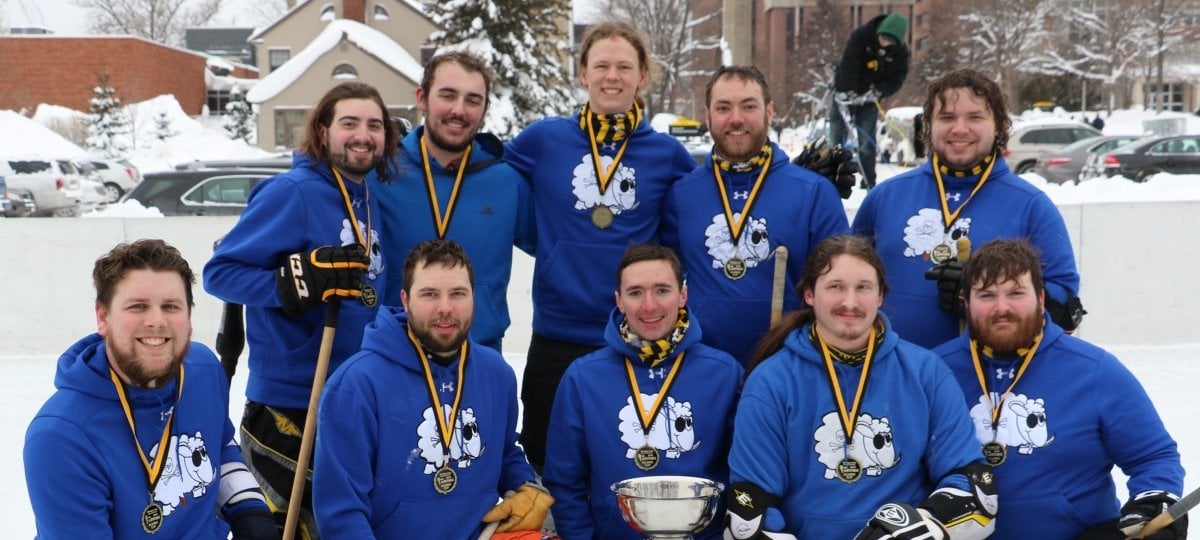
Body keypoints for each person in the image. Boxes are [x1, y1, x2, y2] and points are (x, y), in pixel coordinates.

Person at [204, 81, 397, 536]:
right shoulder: (290, 191)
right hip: (289, 403)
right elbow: (221, 272)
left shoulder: (368, 196)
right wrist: (294, 285)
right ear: (324, 130)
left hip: (354, 395)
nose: (362, 135)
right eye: (349, 123)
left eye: (374, 125)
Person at [504, 21, 697, 472]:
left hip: (636, 336)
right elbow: (483, 177)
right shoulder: (544, 139)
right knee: (546, 457)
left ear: (642, 76)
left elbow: (714, 198)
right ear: (582, 73)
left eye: (624, 66)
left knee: (623, 461)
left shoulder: (665, 153)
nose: (613, 76)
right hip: (558, 335)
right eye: (602, 65)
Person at [725, 235, 996, 540]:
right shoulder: (771, 382)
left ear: (880, 295)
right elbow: (749, 509)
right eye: (835, 287)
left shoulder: (926, 372)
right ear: (810, 294)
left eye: (863, 288)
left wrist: (922, 528)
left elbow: (973, 486)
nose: (850, 303)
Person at [933, 239, 1185, 539]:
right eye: (987, 295)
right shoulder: (932, 371)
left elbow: (1153, 456)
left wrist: (1152, 501)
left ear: (1040, 298)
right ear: (966, 302)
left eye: (1016, 293)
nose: (1002, 307)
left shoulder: (1094, 369)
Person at [25, 239, 277, 539]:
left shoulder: (204, 369)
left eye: (171, 306)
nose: (156, 321)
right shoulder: (61, 436)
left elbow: (219, 445)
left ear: (189, 317)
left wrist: (249, 509)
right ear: (103, 317)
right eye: (138, 307)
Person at [312, 239, 552, 537]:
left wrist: (523, 485)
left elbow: (503, 453)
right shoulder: (356, 385)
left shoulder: (497, 373)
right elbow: (341, 513)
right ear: (404, 299)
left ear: (473, 297)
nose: (445, 308)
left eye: (458, 294)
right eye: (429, 294)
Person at [851, 68, 1083, 349]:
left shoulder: (1031, 206)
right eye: (946, 117)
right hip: (893, 379)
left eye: (975, 117)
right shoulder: (884, 197)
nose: (959, 129)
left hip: (986, 383)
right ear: (928, 125)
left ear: (997, 124)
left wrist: (984, 295)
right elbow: (844, 279)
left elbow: (1064, 310)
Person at [544, 244, 743, 539]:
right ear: (619, 301)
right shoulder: (583, 377)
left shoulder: (725, 373)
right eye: (635, 292)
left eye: (662, 290)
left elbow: (743, 473)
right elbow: (564, 482)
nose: (649, 305)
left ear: (683, 295)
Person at [661, 65, 848, 365]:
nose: (736, 118)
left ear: (769, 112)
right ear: (708, 116)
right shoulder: (682, 195)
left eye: (748, 106)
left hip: (788, 367)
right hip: (701, 366)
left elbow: (841, 285)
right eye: (724, 107)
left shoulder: (814, 192)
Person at [372, 50, 535, 353]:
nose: (459, 110)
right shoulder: (379, 172)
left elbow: (560, 249)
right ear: (422, 98)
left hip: (479, 356)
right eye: (448, 95)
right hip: (392, 354)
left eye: (473, 100)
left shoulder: (507, 182)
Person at [831, 12, 910, 190]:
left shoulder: (900, 54)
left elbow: (897, 79)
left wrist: (880, 91)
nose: (884, 43)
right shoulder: (861, 37)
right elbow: (848, 63)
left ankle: (868, 181)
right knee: (836, 138)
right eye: (882, 38)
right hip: (844, 94)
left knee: (867, 143)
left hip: (869, 99)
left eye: (889, 42)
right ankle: (833, 178)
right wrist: (848, 90)